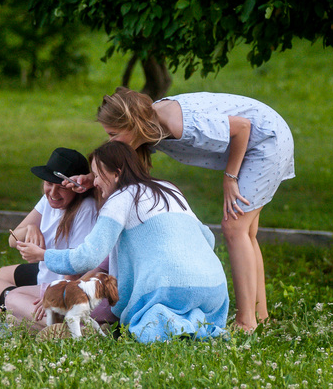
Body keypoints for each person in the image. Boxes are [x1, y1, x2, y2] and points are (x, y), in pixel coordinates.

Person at [93, 87, 294, 332]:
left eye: (113, 134)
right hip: (259, 140)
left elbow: (242, 127)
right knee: (246, 233)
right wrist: (90, 178)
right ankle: (260, 317)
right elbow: (125, 170)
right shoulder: (147, 129)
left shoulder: (175, 123)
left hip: (266, 140)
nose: (111, 141)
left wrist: (230, 177)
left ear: (131, 123)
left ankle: (246, 322)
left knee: (234, 228)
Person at [17, 141, 229, 343]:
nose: (95, 183)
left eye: (97, 175)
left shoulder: (119, 200)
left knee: (147, 325)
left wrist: (43, 255)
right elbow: (208, 238)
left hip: (167, 291)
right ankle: (193, 324)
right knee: (183, 316)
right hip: (214, 290)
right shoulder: (168, 189)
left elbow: (87, 257)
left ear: (117, 173)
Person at [0, 147, 105, 330]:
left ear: (77, 188)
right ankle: (20, 310)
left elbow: (76, 266)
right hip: (45, 273)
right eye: (48, 184)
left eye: (61, 187)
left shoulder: (86, 208)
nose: (53, 193)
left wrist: (55, 291)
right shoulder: (48, 200)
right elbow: (12, 240)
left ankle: (25, 313)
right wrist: (31, 228)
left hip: (64, 283)